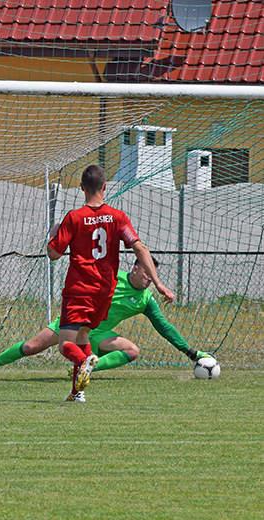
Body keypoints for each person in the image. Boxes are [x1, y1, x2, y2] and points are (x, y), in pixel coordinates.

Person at [0, 259, 214, 401]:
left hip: (98, 333)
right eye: (147, 274)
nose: (150, 279)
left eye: (154, 276)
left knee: (132, 350)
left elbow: (164, 327)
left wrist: (191, 353)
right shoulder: (113, 276)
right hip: (74, 321)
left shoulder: (146, 299)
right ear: (136, 268)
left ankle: (89, 367)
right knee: (32, 347)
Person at [45, 165, 174, 402]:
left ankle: (85, 361)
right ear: (105, 186)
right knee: (84, 336)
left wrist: (53, 233)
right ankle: (77, 393)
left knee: (65, 344)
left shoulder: (74, 217)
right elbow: (139, 248)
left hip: (78, 290)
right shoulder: (118, 217)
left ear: (82, 187)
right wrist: (158, 283)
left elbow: (53, 254)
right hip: (105, 292)